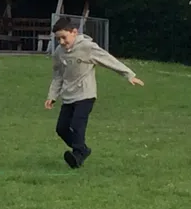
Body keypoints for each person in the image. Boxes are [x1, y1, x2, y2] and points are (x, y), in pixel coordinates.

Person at [45, 16, 144, 168]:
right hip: (68, 95)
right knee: (61, 128)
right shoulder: (59, 52)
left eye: (64, 38)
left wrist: (128, 74)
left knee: (77, 125)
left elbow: (108, 59)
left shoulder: (87, 47)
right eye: (58, 39)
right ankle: (82, 149)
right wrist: (52, 96)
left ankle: (78, 155)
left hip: (85, 94)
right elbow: (58, 75)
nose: (61, 42)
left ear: (74, 32)